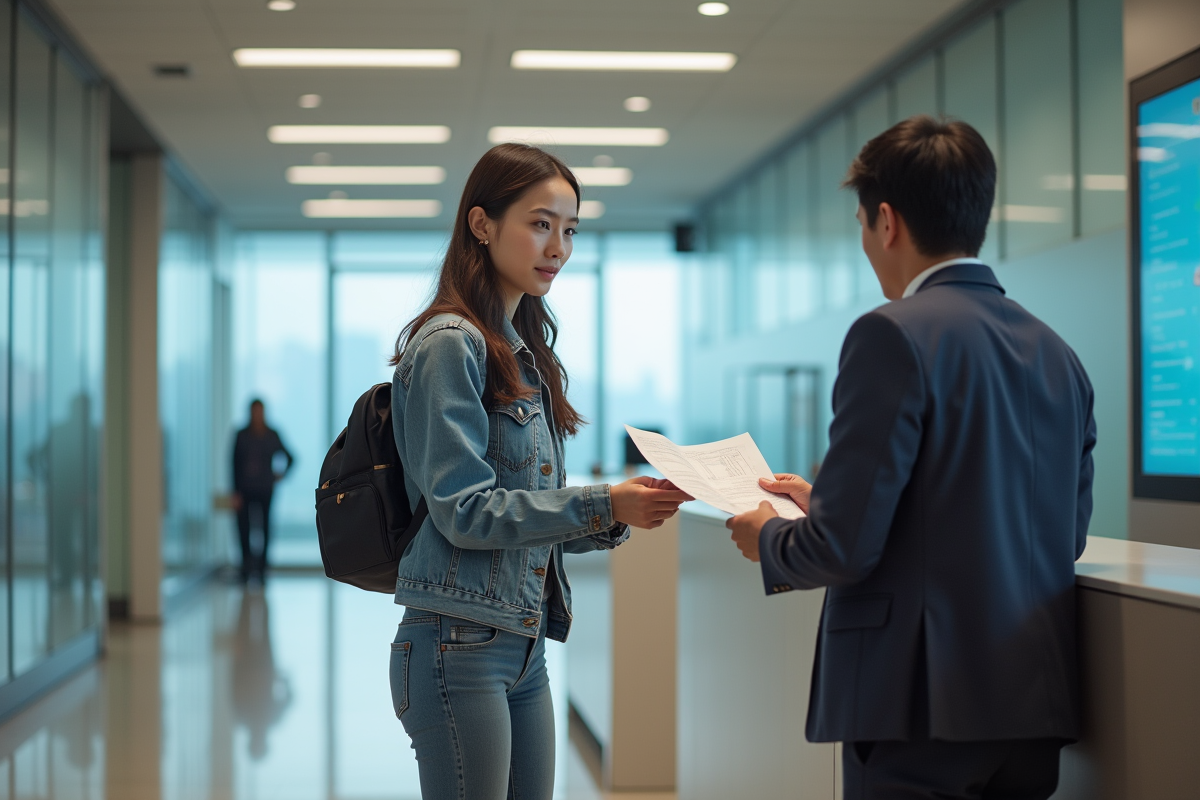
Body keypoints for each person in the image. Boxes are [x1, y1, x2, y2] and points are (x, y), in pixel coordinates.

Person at [725, 116, 1096, 800]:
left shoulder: (889, 336)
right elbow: (1058, 535)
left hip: (919, 704)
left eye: (863, 225)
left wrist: (769, 537)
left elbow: (841, 550)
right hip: (1031, 705)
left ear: (886, 222)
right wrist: (828, 500)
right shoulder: (1057, 353)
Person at [387, 142, 691, 800]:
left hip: (523, 643)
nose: (558, 246)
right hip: (456, 643)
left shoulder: (522, 356)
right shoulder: (449, 346)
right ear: (482, 224)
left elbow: (527, 517)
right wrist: (601, 504)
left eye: (571, 229)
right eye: (540, 223)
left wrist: (623, 510)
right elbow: (465, 512)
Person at [232, 399, 293, 583]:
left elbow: (290, 457)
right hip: (245, 490)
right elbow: (233, 464)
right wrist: (234, 492)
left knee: (265, 528)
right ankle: (246, 569)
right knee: (244, 529)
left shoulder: (272, 434)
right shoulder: (241, 435)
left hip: (265, 489)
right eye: (254, 411)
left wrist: (279, 475)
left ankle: (262, 570)